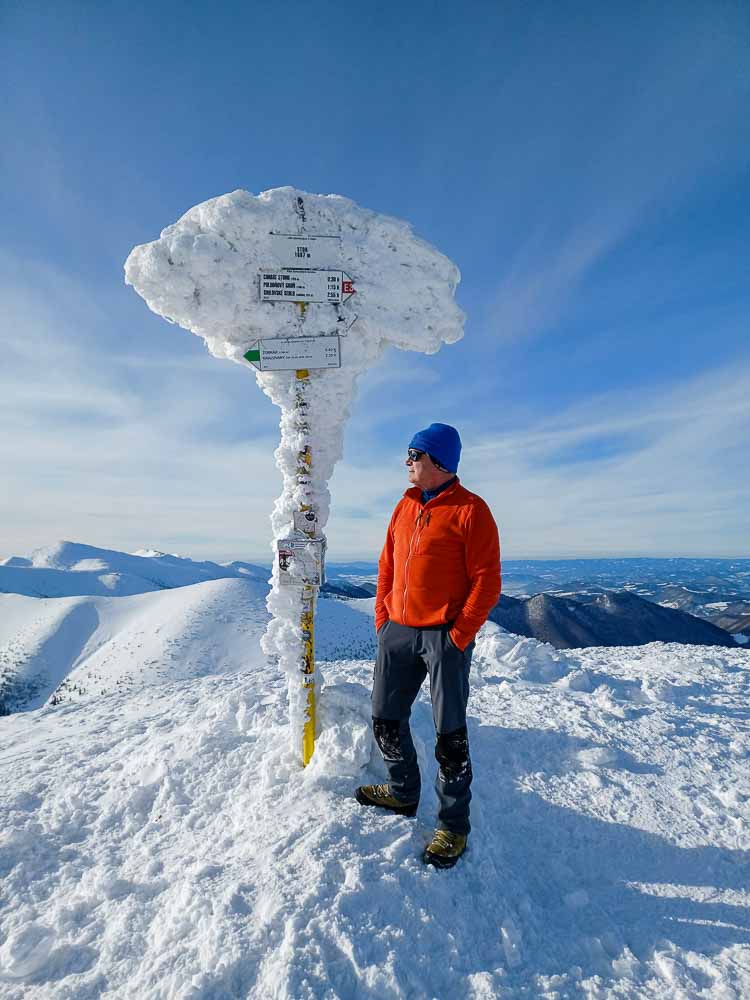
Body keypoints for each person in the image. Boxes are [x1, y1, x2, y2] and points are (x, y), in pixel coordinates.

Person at [355, 423, 501, 868]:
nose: (407, 463)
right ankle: (402, 793)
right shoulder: (403, 506)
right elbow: (387, 565)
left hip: (444, 637)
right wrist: (383, 619)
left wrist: (458, 636)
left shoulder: (471, 510)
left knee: (450, 736)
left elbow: (487, 582)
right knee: (384, 717)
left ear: (438, 461)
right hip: (397, 630)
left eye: (413, 455)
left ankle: (452, 826)